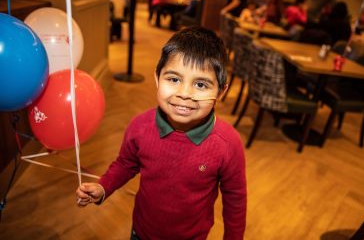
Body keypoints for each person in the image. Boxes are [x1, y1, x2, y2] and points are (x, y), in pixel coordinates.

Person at [76, 27, 247, 240]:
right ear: (157, 78)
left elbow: (235, 200)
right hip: (141, 233)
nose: (185, 94)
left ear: (220, 92)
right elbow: (125, 163)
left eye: (201, 84)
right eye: (174, 79)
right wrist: (103, 187)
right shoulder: (140, 127)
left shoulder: (228, 144)